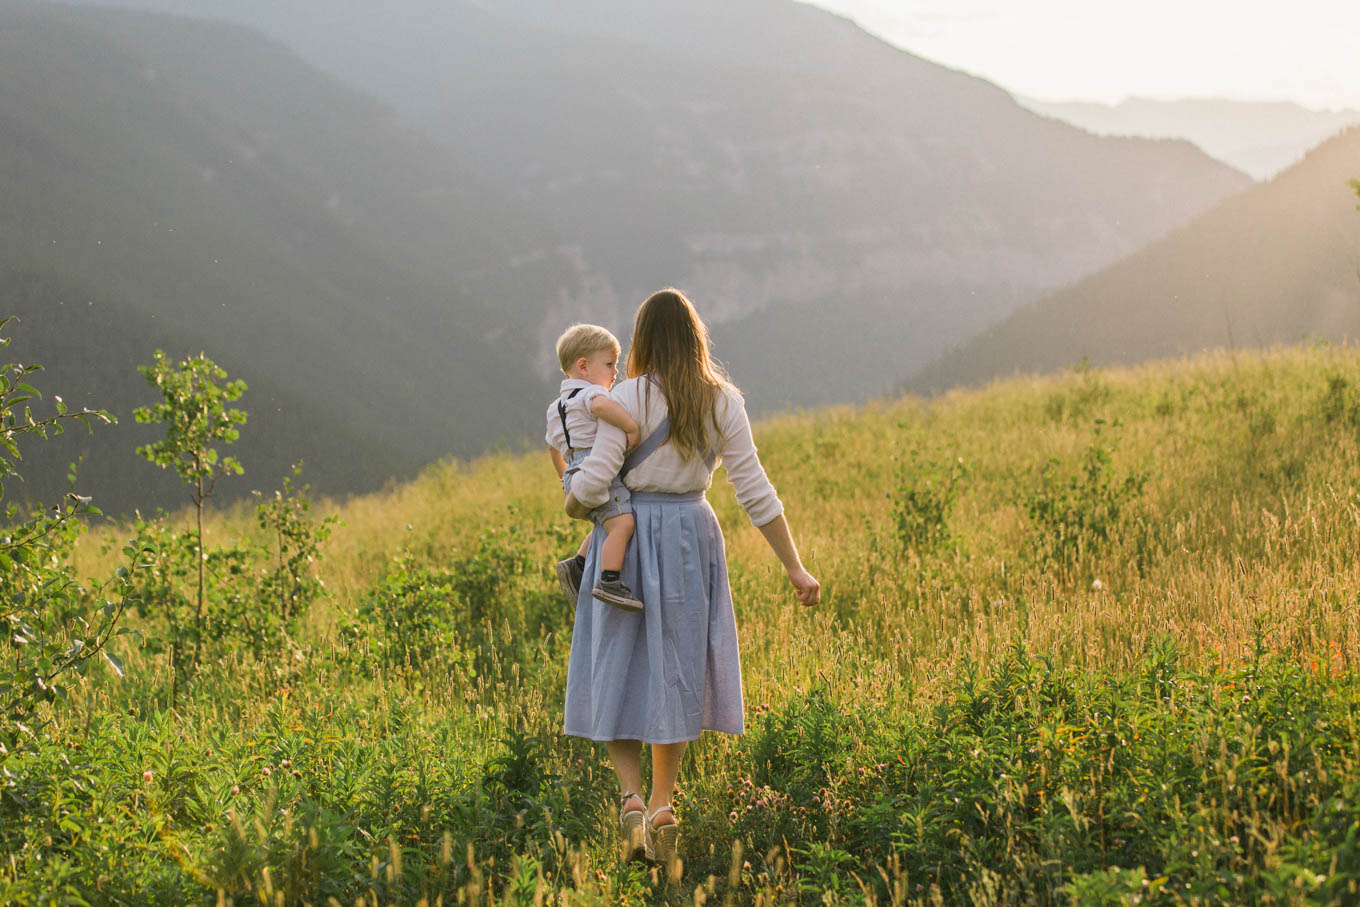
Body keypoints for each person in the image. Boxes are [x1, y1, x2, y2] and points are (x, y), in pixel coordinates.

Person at [563, 289, 819, 876]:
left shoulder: (622, 395)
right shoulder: (722, 401)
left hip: (622, 543)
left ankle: (628, 797)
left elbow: (597, 480)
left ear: (643, 340)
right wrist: (794, 566)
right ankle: (660, 803)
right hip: (688, 539)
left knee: (614, 666)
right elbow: (755, 490)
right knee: (673, 671)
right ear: (697, 337)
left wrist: (577, 506)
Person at [547, 324, 644, 611]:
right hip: (596, 467)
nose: (616, 372)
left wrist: (564, 476)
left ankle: (578, 564)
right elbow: (603, 408)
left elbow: (553, 446)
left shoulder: (556, 407)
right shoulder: (589, 394)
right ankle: (609, 580)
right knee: (624, 523)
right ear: (584, 366)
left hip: (574, 470)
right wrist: (631, 427)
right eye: (610, 364)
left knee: (607, 521)